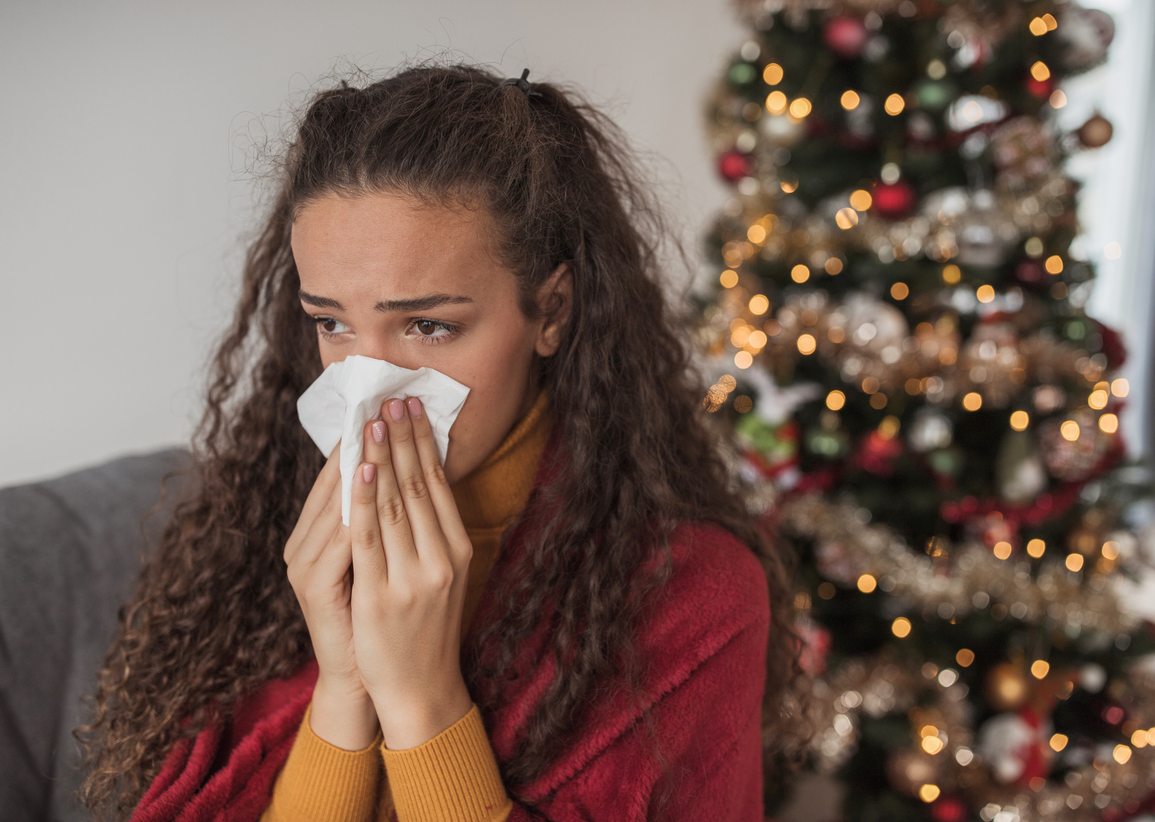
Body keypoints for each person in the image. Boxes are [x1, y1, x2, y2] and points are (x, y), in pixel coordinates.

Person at [76, 61, 801, 822]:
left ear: (550, 312)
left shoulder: (695, 598)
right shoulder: (258, 549)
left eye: (429, 326)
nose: (369, 385)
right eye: (333, 323)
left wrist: (423, 701)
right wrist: (344, 692)